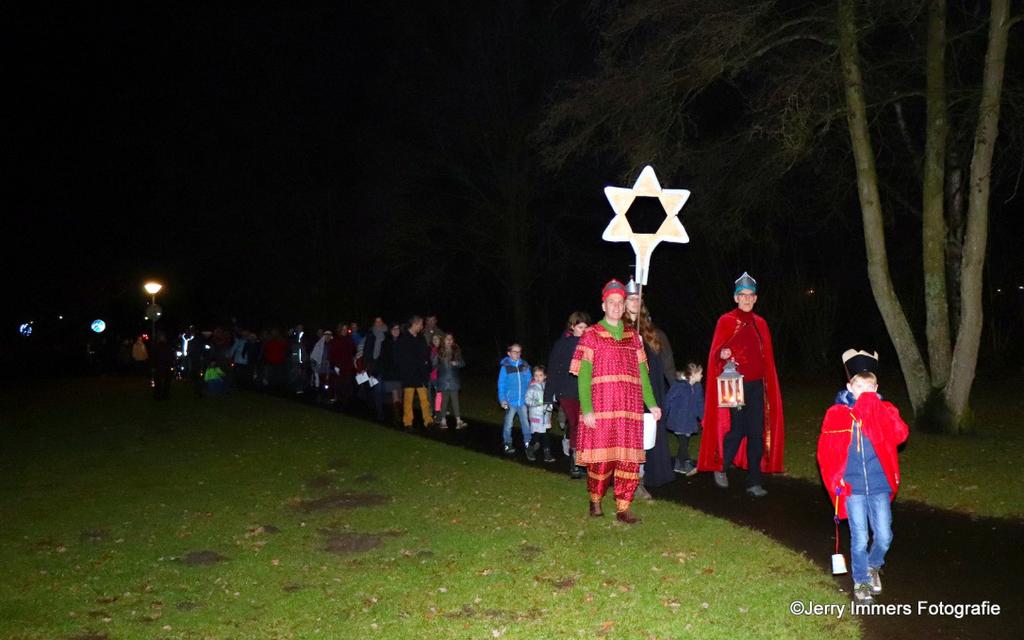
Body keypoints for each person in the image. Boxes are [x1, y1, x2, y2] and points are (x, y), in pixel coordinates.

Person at [816, 350, 908, 604]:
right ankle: (862, 581)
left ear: (876, 387)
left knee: (884, 535)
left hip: (879, 484)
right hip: (852, 486)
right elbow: (826, 451)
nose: (864, 390)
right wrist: (835, 480)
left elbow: (900, 434)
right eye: (858, 386)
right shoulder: (836, 413)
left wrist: (875, 409)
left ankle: (873, 565)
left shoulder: (886, 409)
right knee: (859, 537)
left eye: (869, 386)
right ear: (849, 387)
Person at [571, 279, 661, 524]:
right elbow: (583, 376)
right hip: (601, 407)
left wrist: (651, 403)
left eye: (620, 303)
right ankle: (596, 500)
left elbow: (643, 373)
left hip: (629, 409)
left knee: (628, 460)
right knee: (602, 459)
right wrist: (587, 409)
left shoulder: (633, 336)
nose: (616, 307)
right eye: (611, 302)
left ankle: (623, 507)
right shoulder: (591, 335)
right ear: (604, 305)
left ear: (623, 307)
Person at [697, 272, 784, 498]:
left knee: (756, 432)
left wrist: (769, 388)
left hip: (756, 387)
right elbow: (715, 352)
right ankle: (721, 466)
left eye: (750, 295)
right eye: (742, 295)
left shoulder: (761, 324)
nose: (746, 299)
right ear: (735, 298)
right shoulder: (726, 321)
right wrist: (722, 353)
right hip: (734, 385)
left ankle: (754, 481)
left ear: (755, 298)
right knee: (738, 428)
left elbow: (767, 359)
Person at [624, 278, 675, 494]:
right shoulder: (619, 330)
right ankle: (632, 480)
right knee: (631, 437)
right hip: (628, 392)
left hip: (652, 392)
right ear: (624, 302)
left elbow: (668, 365)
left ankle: (643, 478)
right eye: (630, 298)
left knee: (647, 436)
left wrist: (680, 389)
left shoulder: (654, 333)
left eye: (638, 298)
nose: (635, 302)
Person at [545, 311, 591, 479]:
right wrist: (548, 396)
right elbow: (553, 368)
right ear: (572, 326)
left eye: (586, 327)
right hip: (567, 391)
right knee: (576, 424)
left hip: (585, 391)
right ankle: (575, 463)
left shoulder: (590, 344)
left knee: (584, 426)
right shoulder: (562, 344)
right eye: (580, 327)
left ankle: (582, 460)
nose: (583, 330)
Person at [663, 363, 704, 476]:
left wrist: (703, 418)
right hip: (678, 420)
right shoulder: (679, 386)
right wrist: (664, 416)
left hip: (689, 421)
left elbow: (699, 404)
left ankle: (678, 464)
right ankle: (685, 466)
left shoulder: (697, 387)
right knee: (684, 443)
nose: (702, 376)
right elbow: (668, 400)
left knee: (684, 442)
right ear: (692, 374)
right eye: (700, 374)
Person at [395, 315, 433, 428]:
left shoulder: (421, 338)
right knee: (408, 399)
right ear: (415, 324)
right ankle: (408, 422)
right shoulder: (403, 339)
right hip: (409, 374)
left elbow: (426, 354)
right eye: (421, 324)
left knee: (424, 399)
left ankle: (428, 421)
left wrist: (428, 366)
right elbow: (400, 358)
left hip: (421, 374)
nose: (422, 326)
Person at [498, 343, 533, 458]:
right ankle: (507, 443)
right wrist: (502, 399)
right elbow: (501, 384)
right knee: (508, 424)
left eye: (519, 352)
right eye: (514, 352)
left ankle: (528, 442)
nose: (517, 354)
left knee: (526, 423)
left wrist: (531, 395)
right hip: (510, 401)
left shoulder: (525, 366)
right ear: (509, 353)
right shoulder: (505, 367)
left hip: (523, 401)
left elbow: (530, 382)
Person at [434, 333, 467, 429]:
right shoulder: (439, 352)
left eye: (451, 339)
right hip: (443, 381)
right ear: (443, 340)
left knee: (455, 400)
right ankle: (443, 421)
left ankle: (458, 421)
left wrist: (457, 363)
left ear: (453, 341)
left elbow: (463, 363)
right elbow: (434, 365)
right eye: (447, 339)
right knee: (444, 401)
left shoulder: (456, 352)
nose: (449, 340)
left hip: (454, 381)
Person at [524, 365, 555, 462]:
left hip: (545, 416)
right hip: (535, 416)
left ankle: (547, 454)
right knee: (537, 435)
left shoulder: (548, 387)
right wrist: (538, 402)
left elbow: (552, 398)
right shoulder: (532, 388)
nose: (538, 377)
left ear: (545, 376)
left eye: (540, 375)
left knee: (545, 434)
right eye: (536, 375)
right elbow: (527, 401)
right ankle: (530, 449)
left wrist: (552, 402)